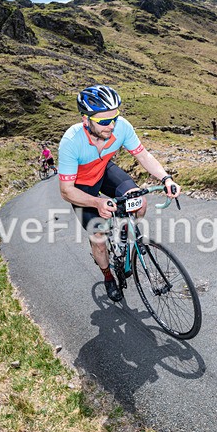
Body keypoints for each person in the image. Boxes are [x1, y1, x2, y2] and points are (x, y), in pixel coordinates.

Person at [58, 85, 180, 302]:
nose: (111, 125)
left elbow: (143, 156)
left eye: (114, 118)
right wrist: (97, 203)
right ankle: (108, 277)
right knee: (98, 236)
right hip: (82, 187)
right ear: (85, 120)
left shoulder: (121, 127)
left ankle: (125, 232)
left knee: (139, 202)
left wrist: (166, 178)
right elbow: (66, 191)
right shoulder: (71, 141)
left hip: (104, 172)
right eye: (104, 122)